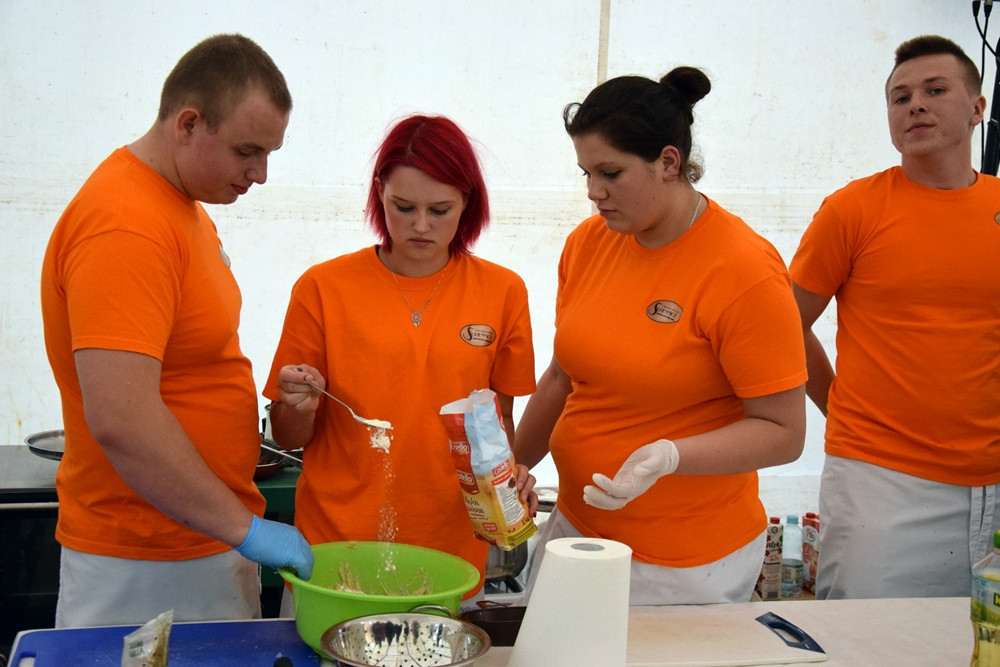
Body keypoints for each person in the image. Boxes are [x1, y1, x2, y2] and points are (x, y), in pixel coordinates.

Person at [40, 34, 313, 628]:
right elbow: (122, 417)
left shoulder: (178, 204)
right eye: (248, 151)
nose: (260, 175)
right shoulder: (126, 225)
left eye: (270, 153)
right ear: (188, 123)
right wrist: (245, 528)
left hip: (198, 539)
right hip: (146, 561)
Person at [514, 67, 808, 606]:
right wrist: (515, 465)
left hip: (684, 561)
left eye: (610, 173)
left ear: (668, 162)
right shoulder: (591, 242)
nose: (593, 193)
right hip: (578, 529)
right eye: (585, 173)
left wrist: (673, 456)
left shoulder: (742, 269)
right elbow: (562, 374)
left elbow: (784, 432)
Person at [264, 114, 537, 606]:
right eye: (403, 206)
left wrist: (510, 479)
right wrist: (295, 405)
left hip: (450, 556)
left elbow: (499, 425)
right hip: (336, 552)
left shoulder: (503, 291)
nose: (420, 225)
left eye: (441, 209)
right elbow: (288, 437)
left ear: (468, 202)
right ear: (378, 193)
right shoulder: (323, 289)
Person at [790, 34, 1000, 599]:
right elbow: (782, 325)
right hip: (880, 478)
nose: (915, 106)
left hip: (993, 482)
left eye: (935, 90)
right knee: (865, 647)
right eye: (899, 97)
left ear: (979, 108)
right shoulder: (855, 208)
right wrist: (835, 403)